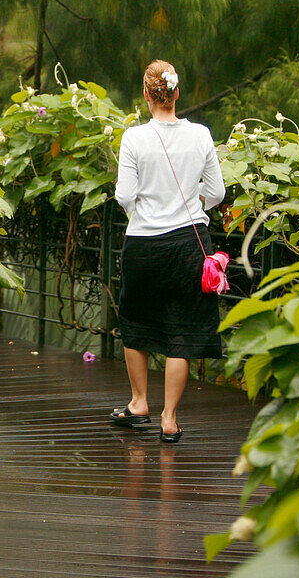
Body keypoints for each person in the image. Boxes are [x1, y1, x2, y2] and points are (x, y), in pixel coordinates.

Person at [110, 59, 225, 443]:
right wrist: (191, 206)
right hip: (189, 243)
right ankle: (169, 418)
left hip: (143, 244)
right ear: (177, 93)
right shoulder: (202, 136)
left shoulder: (134, 138)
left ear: (146, 95)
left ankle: (139, 402)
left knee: (136, 321)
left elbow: (124, 195)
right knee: (183, 330)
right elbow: (218, 192)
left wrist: (144, 210)